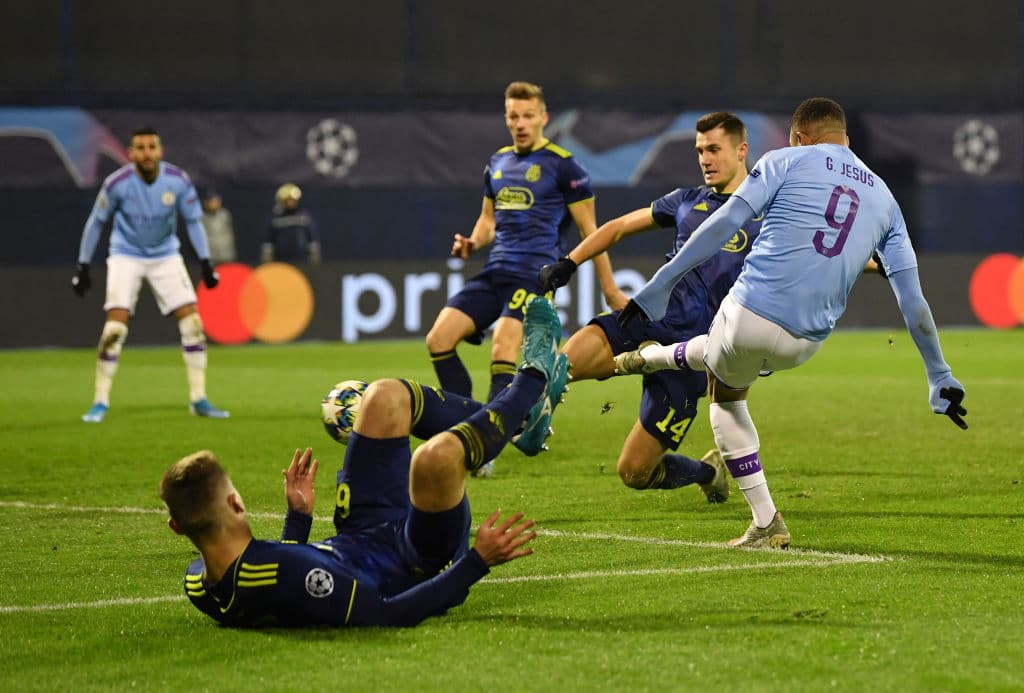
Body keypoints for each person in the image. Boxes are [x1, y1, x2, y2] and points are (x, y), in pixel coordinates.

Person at [614, 97, 967, 548]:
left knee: (724, 395)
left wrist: (660, 284)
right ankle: (647, 359)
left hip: (750, 313)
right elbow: (913, 302)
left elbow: (725, 223)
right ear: (845, 139)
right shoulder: (886, 199)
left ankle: (766, 522)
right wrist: (939, 374)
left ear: (800, 137)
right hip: (806, 342)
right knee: (724, 356)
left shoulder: (784, 160)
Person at [161, 297, 570, 628]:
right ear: (236, 503)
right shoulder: (287, 575)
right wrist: (476, 562)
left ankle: (517, 424)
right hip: (417, 557)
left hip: (361, 529)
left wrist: (298, 517)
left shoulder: (199, 582)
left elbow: (272, 580)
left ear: (177, 526)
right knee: (433, 459)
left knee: (382, 397)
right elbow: (387, 612)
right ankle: (531, 385)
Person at [537, 112, 761, 505]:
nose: (705, 159)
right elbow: (619, 227)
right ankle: (524, 424)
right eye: (699, 151)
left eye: (713, 149)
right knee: (560, 367)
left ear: (742, 150)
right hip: (647, 320)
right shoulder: (687, 200)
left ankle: (707, 472)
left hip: (691, 355)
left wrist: (872, 262)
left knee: (635, 473)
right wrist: (569, 262)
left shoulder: (765, 216)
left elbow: (820, 255)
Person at [425, 80, 627, 423]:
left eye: (527, 115)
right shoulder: (497, 162)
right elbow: (488, 220)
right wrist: (472, 242)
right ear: (506, 118)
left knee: (503, 346)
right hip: (496, 272)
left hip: (535, 275)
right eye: (513, 116)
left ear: (543, 118)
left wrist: (610, 290)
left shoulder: (565, 167)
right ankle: (463, 424)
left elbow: (591, 232)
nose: (520, 123)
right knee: (438, 340)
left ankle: (489, 436)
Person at [72, 126, 229, 422]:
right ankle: (100, 401)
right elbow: (96, 222)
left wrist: (206, 261)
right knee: (114, 330)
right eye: (141, 148)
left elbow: (193, 222)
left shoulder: (177, 181)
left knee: (193, 324)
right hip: (125, 254)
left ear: (160, 151)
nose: (147, 153)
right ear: (131, 154)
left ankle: (199, 399)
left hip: (165, 255)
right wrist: (83, 265)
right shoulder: (117, 184)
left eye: (151, 147)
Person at [262, 183, 321, 265]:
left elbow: (311, 237)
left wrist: (314, 254)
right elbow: (269, 239)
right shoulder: (276, 218)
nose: (291, 203)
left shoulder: (304, 216)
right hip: (280, 258)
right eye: (288, 200)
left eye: (293, 200)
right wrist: (267, 255)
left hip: (301, 258)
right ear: (282, 201)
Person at [198, 187, 236, 265]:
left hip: (226, 253)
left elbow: (229, 233)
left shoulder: (224, 214)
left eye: (216, 201)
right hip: (211, 255)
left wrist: (231, 250)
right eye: (211, 202)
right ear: (205, 203)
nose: (214, 204)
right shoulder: (201, 217)